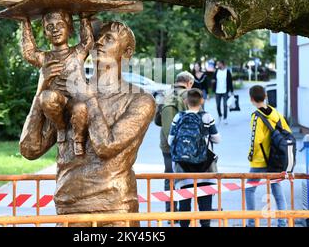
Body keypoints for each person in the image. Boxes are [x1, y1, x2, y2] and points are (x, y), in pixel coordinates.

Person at [19, 21, 156, 226]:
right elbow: (29, 149)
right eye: (97, 37)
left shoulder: (140, 100)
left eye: (108, 38)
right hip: (70, 208)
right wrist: (41, 89)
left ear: (126, 52)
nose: (99, 42)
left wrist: (86, 96)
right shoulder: (66, 94)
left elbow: (106, 147)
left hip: (115, 210)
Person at [21, 11, 93, 156]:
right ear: (45, 33)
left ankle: (78, 141)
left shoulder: (77, 53)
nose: (55, 30)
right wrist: (25, 23)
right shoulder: (44, 57)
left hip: (74, 101)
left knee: (80, 108)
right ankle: (61, 128)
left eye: (60, 25)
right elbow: (29, 52)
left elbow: (88, 42)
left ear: (69, 29)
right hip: (56, 105)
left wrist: (84, 18)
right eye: (49, 27)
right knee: (46, 97)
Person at [168, 89, 221, 227]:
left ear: (186, 101)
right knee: (205, 208)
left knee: (184, 207)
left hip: (183, 168)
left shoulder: (178, 117)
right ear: (201, 100)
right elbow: (217, 139)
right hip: (204, 168)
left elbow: (170, 140)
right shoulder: (207, 117)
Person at [245, 85, 290, 227]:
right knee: (277, 191)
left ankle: (252, 223)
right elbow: (287, 131)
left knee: (250, 189)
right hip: (275, 161)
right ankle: (282, 223)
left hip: (260, 162)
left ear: (251, 99)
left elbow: (255, 140)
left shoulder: (256, 116)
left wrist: (250, 155)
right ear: (265, 96)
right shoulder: (275, 114)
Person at [159, 71, 194, 213]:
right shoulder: (189, 96)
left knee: (169, 177)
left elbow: (157, 120)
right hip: (185, 146)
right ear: (189, 83)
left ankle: (170, 212)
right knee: (186, 178)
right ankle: (185, 212)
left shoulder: (165, 95)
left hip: (166, 144)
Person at [213, 60, 233, 124]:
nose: (217, 65)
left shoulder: (227, 72)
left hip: (225, 91)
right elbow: (213, 80)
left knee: (225, 105)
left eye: (219, 64)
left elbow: (230, 82)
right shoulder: (216, 71)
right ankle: (220, 115)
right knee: (218, 105)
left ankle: (225, 118)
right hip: (217, 91)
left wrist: (231, 91)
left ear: (222, 64)